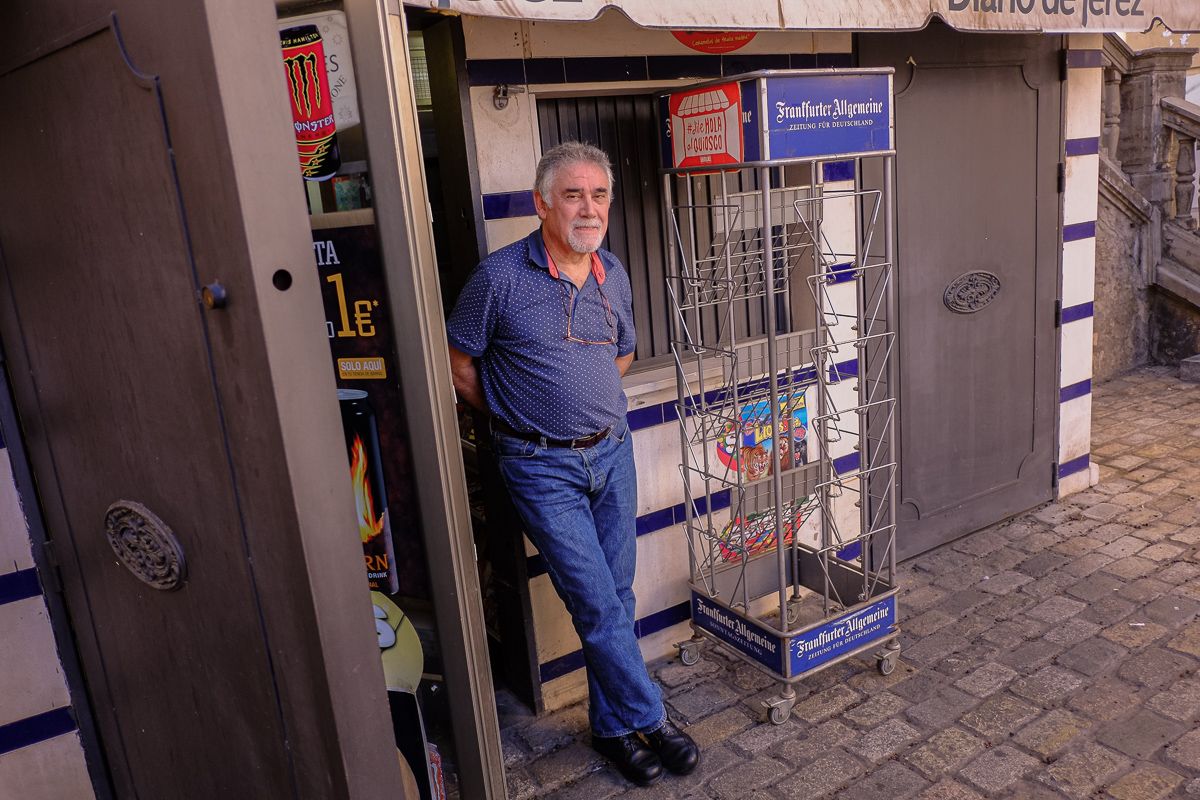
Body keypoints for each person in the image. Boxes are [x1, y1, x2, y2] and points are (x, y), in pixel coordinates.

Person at [446, 141, 699, 787]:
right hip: (539, 466)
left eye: (599, 195)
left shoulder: (612, 270)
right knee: (596, 603)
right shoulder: (498, 279)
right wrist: (515, 415)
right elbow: (458, 363)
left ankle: (613, 730)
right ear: (542, 204)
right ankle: (652, 717)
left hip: (612, 452)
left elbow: (622, 353)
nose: (589, 208)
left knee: (617, 594)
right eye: (573, 194)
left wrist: (589, 404)